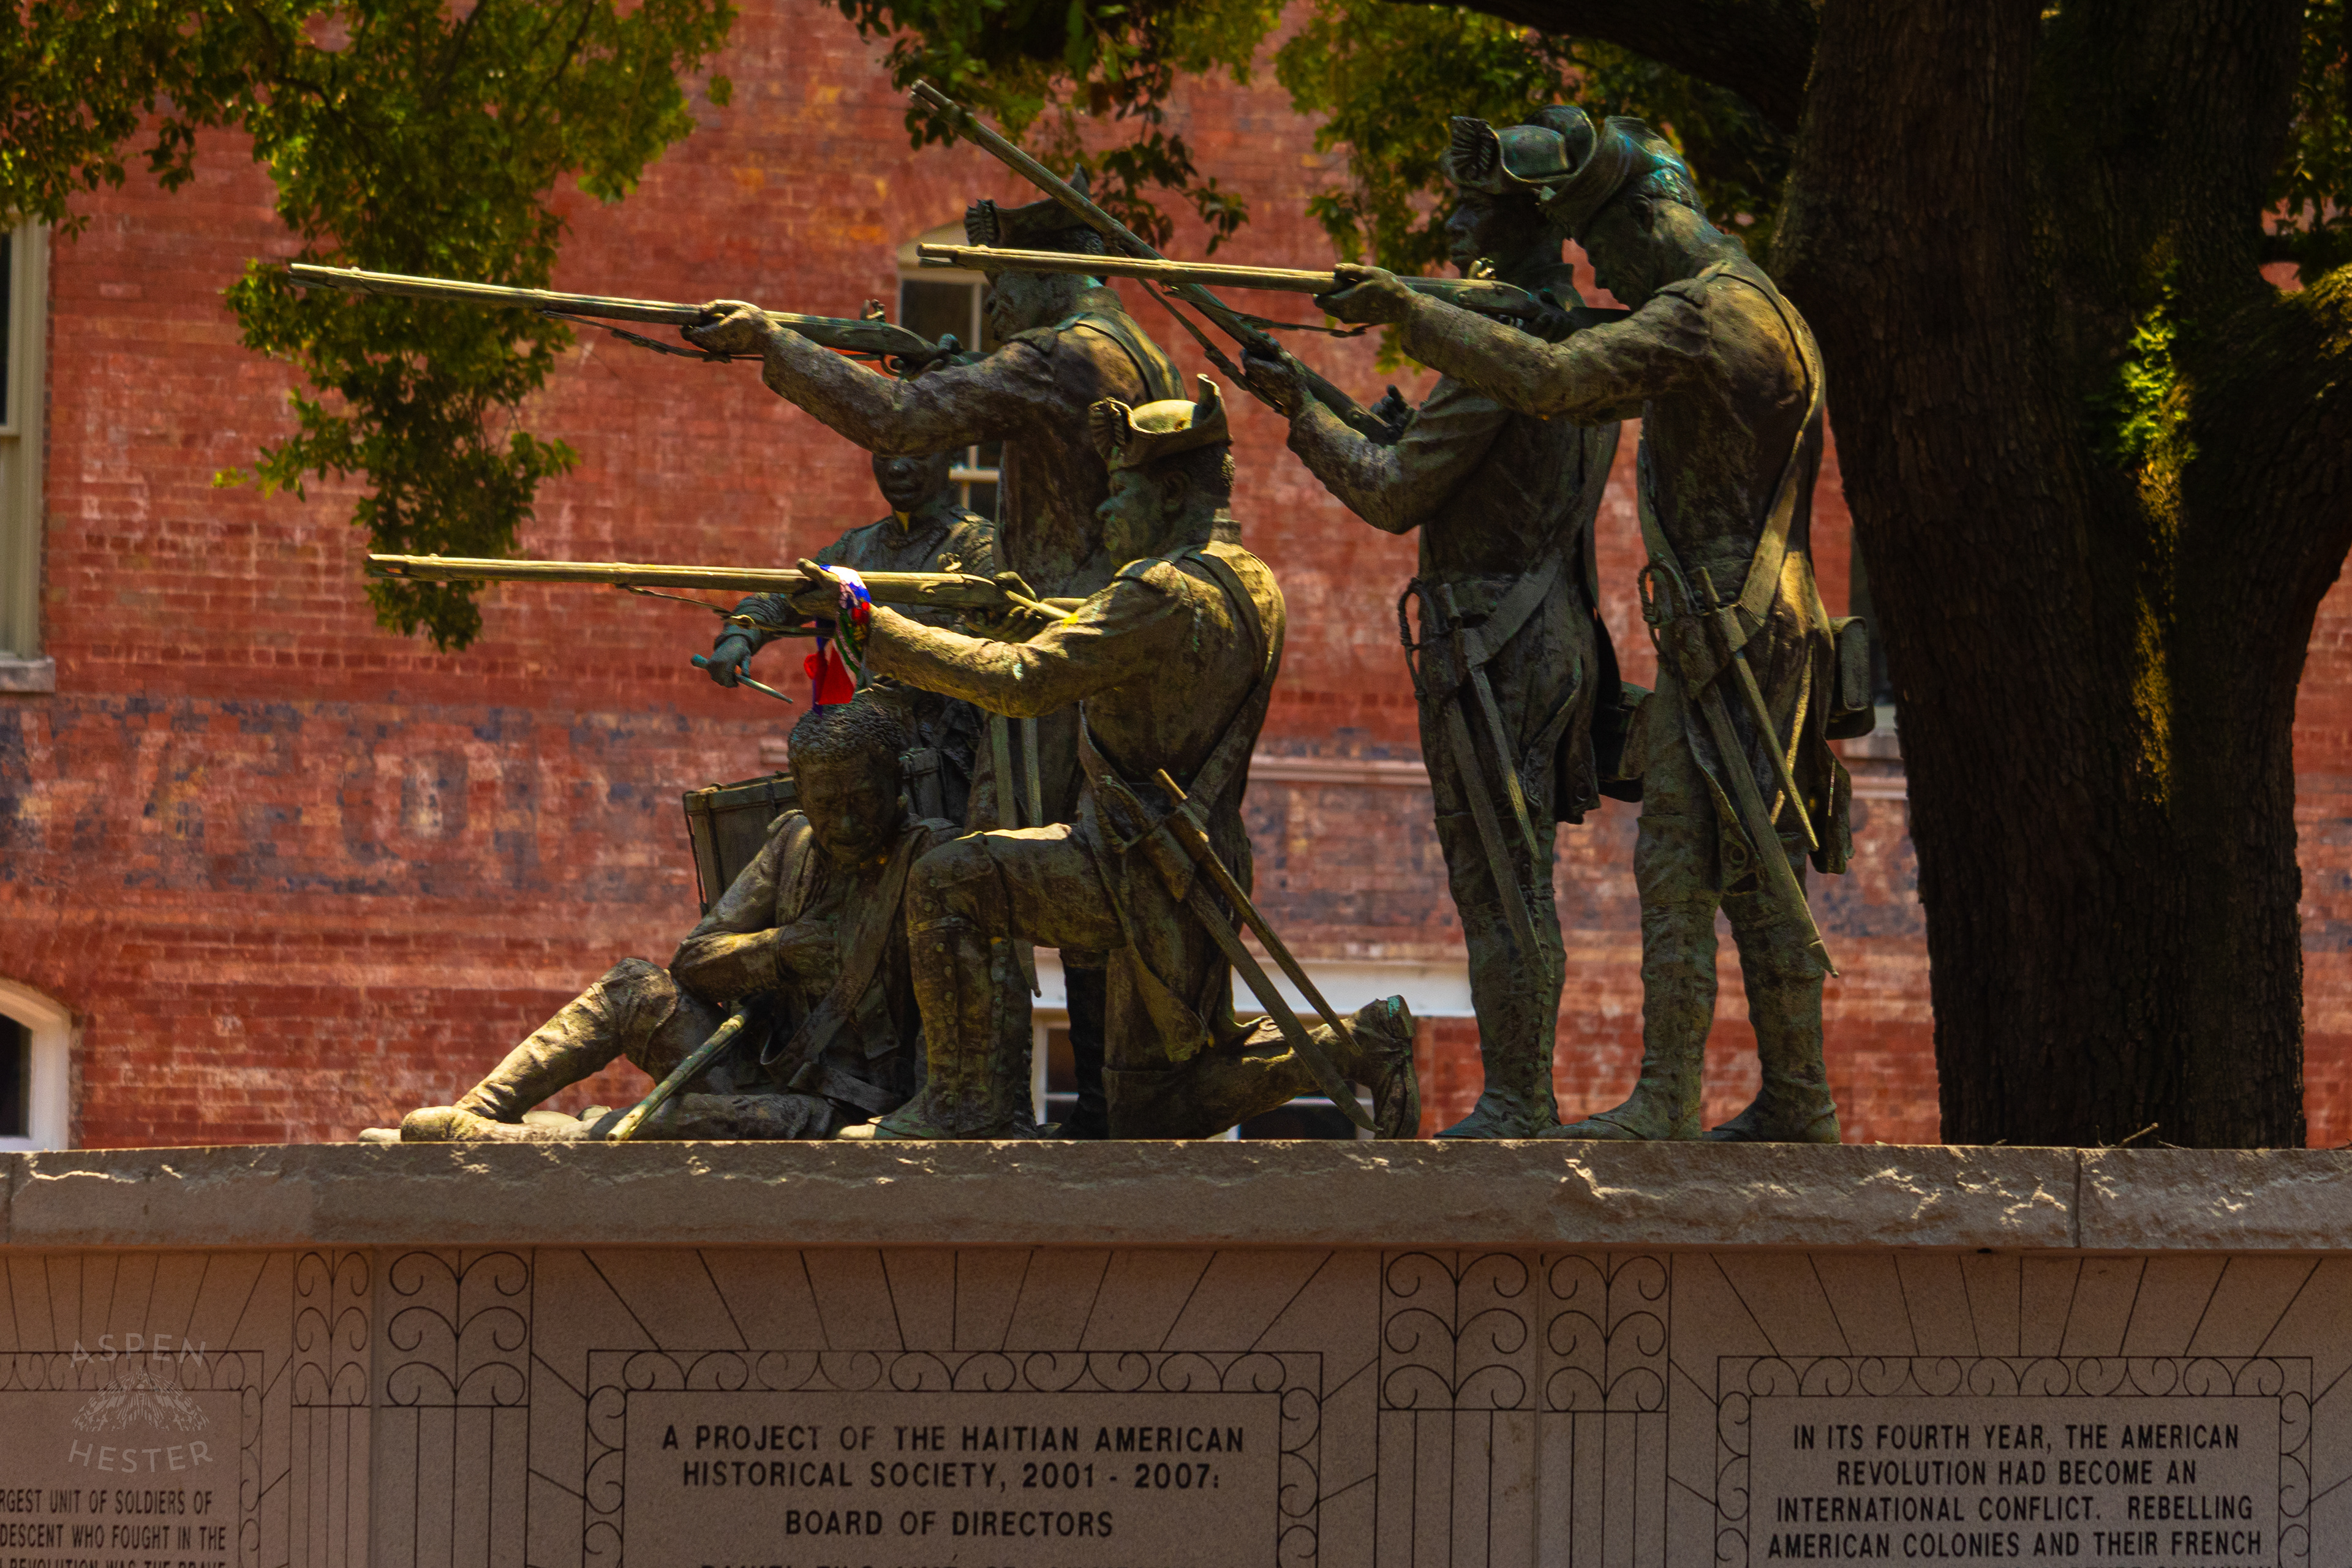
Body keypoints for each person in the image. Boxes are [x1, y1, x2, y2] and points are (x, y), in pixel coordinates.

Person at [1316, 111, 1853, 1143]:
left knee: (1717, 861)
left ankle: (1730, 1097)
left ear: (1647, 219)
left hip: (1735, 628)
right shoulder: (1762, 305)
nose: (1600, 265)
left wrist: (1410, 315)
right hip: (1751, 624)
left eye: (1605, 243)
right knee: (1723, 861)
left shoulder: (1699, 315)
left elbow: (1562, 385)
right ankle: (1760, 1096)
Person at [684, 176, 1186, 1139]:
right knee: (1087, 882)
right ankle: (1108, 1110)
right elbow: (810, 584)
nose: (994, 307)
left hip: (1045, 674)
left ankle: (977, 1098)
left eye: (1001, 284)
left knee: (972, 876)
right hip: (1114, 657)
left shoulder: (1062, 355)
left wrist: (772, 342)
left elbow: (905, 419)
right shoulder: (1143, 356)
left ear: (1050, 273)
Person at [805, 379, 1417, 1140]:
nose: (1103, 512)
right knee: (1152, 1103)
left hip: (1123, 863)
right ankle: (1358, 1043)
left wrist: (875, 627)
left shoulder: (1152, 591)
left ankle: (956, 1104)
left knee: (944, 882)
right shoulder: (1249, 580)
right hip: (1198, 862)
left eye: (1119, 492)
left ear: (1166, 496)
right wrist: (1059, 616)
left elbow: (1023, 682)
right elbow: (1149, 645)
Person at [1242, 110, 1626, 1139]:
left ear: (1526, 224)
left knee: (1502, 882)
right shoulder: (1581, 344)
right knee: (1516, 876)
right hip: (1542, 634)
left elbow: (1392, 494)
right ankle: (1521, 1094)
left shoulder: (1503, 349)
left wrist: (1296, 413)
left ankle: (1516, 1099)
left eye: (1474, 207)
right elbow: (1449, 468)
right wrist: (1340, 406)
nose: (1454, 229)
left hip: (1496, 643)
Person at [374, 697, 957, 1142]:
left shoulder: (936, 863)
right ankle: (475, 1115)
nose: (847, 824)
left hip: (848, 1113)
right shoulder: (793, 843)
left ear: (897, 783)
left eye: (862, 800)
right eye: (828, 805)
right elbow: (696, 961)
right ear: (800, 793)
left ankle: (551, 1137)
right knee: (633, 986)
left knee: (684, 1116)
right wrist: (780, 952)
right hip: (763, 1072)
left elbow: (951, 1046)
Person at [706, 447, 997, 823]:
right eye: (885, 454)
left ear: (949, 456)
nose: (898, 468)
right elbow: (787, 594)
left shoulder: (977, 546)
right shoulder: (858, 547)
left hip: (948, 760)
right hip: (857, 757)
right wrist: (740, 634)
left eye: (916, 454)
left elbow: (987, 634)